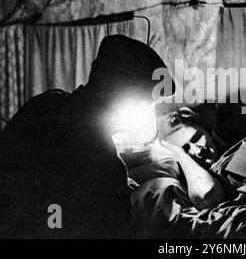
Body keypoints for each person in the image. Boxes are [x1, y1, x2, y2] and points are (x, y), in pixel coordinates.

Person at [0, 34, 176, 238]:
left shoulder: (44, 103)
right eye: (145, 103)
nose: (144, 111)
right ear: (122, 97)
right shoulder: (102, 158)